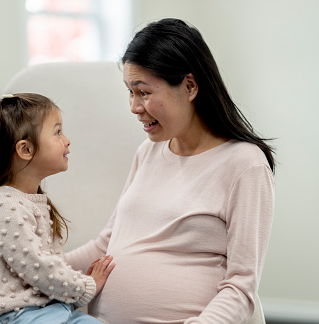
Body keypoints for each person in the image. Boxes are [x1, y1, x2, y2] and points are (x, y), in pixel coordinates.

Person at [65, 18, 276, 323]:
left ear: (189, 86)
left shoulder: (244, 164)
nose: (134, 106)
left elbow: (241, 287)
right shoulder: (147, 152)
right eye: (130, 92)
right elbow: (104, 246)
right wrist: (36, 269)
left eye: (144, 92)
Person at [0, 93, 115, 324]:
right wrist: (87, 286)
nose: (67, 140)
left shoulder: (28, 201)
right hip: (14, 316)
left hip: (44, 312)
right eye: (58, 132)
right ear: (26, 150)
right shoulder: (3, 204)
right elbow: (38, 267)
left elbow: (46, 264)